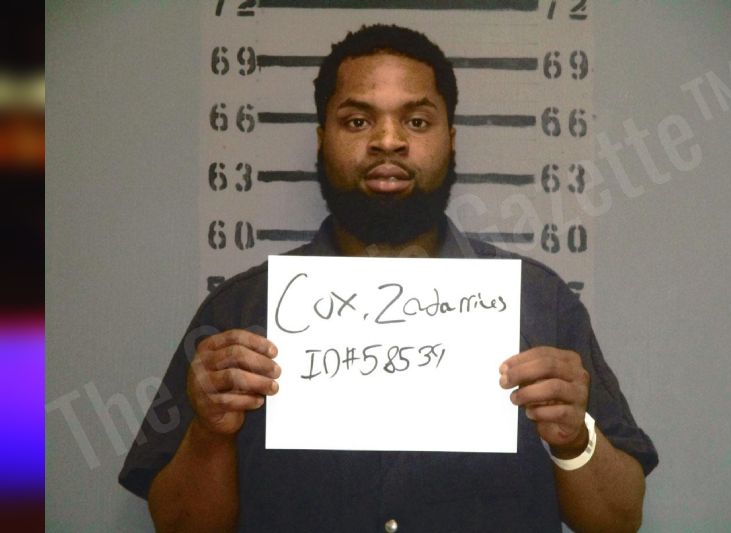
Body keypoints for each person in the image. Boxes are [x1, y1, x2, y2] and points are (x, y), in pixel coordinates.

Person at [120, 24, 658, 532]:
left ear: (450, 138)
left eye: (416, 122)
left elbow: (618, 520)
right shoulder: (237, 314)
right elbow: (178, 525)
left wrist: (574, 440)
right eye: (357, 121)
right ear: (321, 138)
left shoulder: (539, 301)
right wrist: (209, 434)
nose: (388, 141)